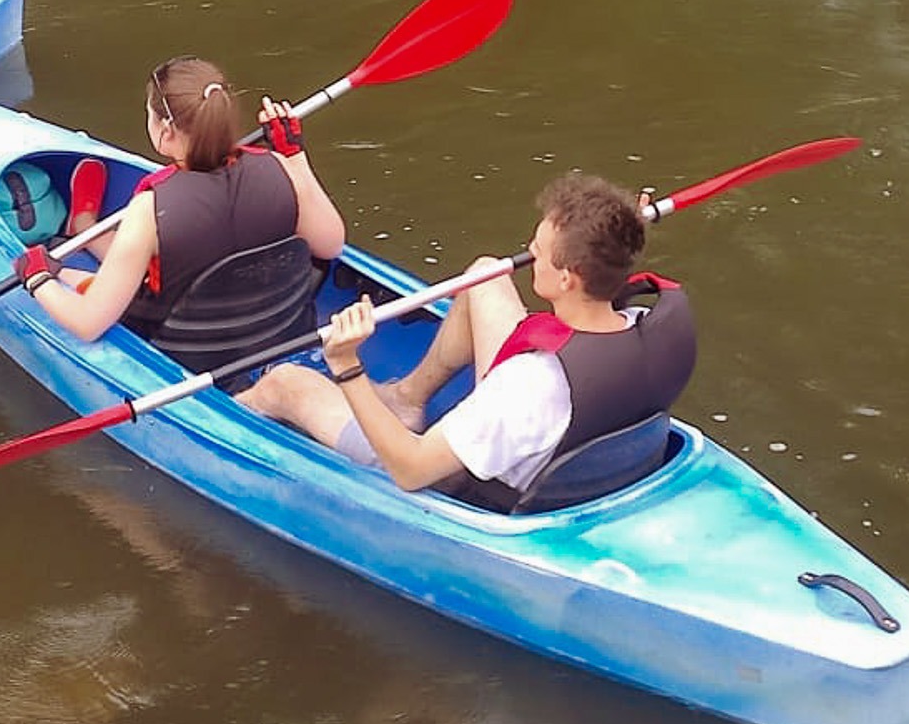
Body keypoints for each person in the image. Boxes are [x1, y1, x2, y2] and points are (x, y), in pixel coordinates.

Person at [240, 171, 696, 509]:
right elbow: (601, 271)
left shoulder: (530, 383)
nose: (528, 254)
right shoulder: (650, 320)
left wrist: (346, 365)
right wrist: (618, 231)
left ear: (566, 278)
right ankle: (406, 398)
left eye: (537, 253)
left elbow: (411, 470)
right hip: (568, 437)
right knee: (485, 274)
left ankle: (219, 416)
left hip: (465, 479)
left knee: (286, 382)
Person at [15, 56, 346, 369]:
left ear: (165, 131)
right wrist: (295, 157)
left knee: (72, 276)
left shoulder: (151, 207)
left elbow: (88, 325)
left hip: (187, 347)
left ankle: (75, 246)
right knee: (154, 253)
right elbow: (331, 246)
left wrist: (39, 278)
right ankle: (85, 225)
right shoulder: (280, 166)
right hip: (274, 326)